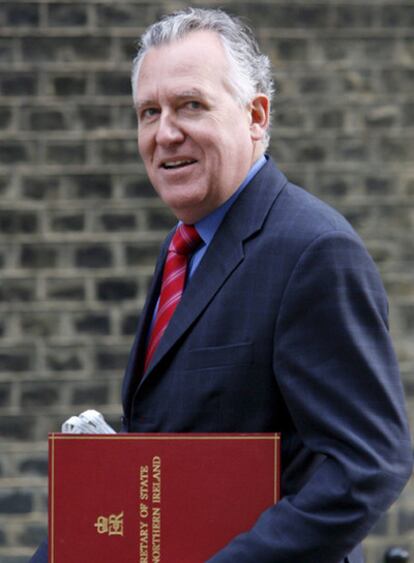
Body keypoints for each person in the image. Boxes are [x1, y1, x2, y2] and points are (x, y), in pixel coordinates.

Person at [30, 7, 412, 563]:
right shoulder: (184, 245)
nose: (164, 133)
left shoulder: (314, 250)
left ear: (256, 116)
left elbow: (367, 465)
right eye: (148, 112)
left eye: (191, 106)